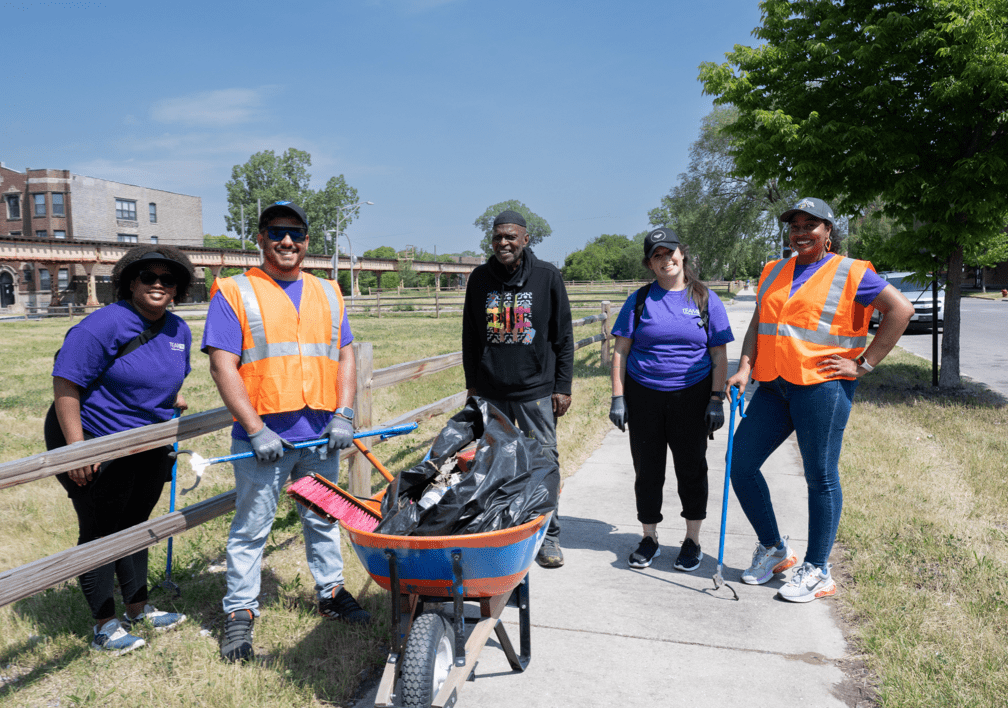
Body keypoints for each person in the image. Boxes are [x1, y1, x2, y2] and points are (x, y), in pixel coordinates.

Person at [202, 200, 368, 664]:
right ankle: (239, 613)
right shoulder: (234, 291)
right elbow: (222, 365)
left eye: (295, 233)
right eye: (276, 232)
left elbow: (346, 355)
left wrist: (345, 413)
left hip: (320, 435)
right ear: (260, 238)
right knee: (252, 528)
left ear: (308, 241)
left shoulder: (329, 291)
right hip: (264, 442)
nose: (287, 241)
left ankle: (331, 593)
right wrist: (255, 429)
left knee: (322, 520)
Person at [726, 197, 914, 602]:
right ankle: (775, 549)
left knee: (821, 476)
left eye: (812, 224)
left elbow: (901, 310)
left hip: (823, 387)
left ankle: (818, 569)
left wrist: (864, 365)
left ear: (829, 231)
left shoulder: (852, 272)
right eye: (795, 226)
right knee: (740, 464)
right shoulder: (774, 269)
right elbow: (761, 321)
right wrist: (744, 367)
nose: (801, 232)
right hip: (774, 386)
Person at [45, 245, 194, 655]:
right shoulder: (104, 324)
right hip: (91, 436)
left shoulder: (178, 330)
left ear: (178, 288)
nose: (159, 284)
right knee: (101, 529)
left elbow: (166, 376)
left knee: (136, 524)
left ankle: (138, 609)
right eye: (149, 277)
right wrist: (76, 451)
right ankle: (104, 625)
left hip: (145, 440)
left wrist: (171, 398)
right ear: (131, 282)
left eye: (168, 279)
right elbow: (66, 384)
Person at [608, 228, 734, 571]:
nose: (666, 260)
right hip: (644, 393)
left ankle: (692, 540)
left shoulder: (705, 299)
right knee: (647, 469)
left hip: (692, 395)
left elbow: (719, 356)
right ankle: (649, 537)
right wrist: (618, 397)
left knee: (691, 469)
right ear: (650, 264)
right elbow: (621, 350)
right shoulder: (638, 300)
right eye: (657, 256)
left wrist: (715, 400)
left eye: (670, 252)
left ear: (683, 254)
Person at [462, 209, 574, 568]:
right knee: (492, 463)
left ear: (526, 239)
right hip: (492, 391)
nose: (503, 243)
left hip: (536, 392)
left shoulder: (546, 277)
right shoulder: (480, 279)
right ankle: (496, 534)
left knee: (543, 463)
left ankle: (548, 536)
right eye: (497, 237)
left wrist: (563, 385)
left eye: (511, 237)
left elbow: (563, 336)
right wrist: (472, 387)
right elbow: (470, 338)